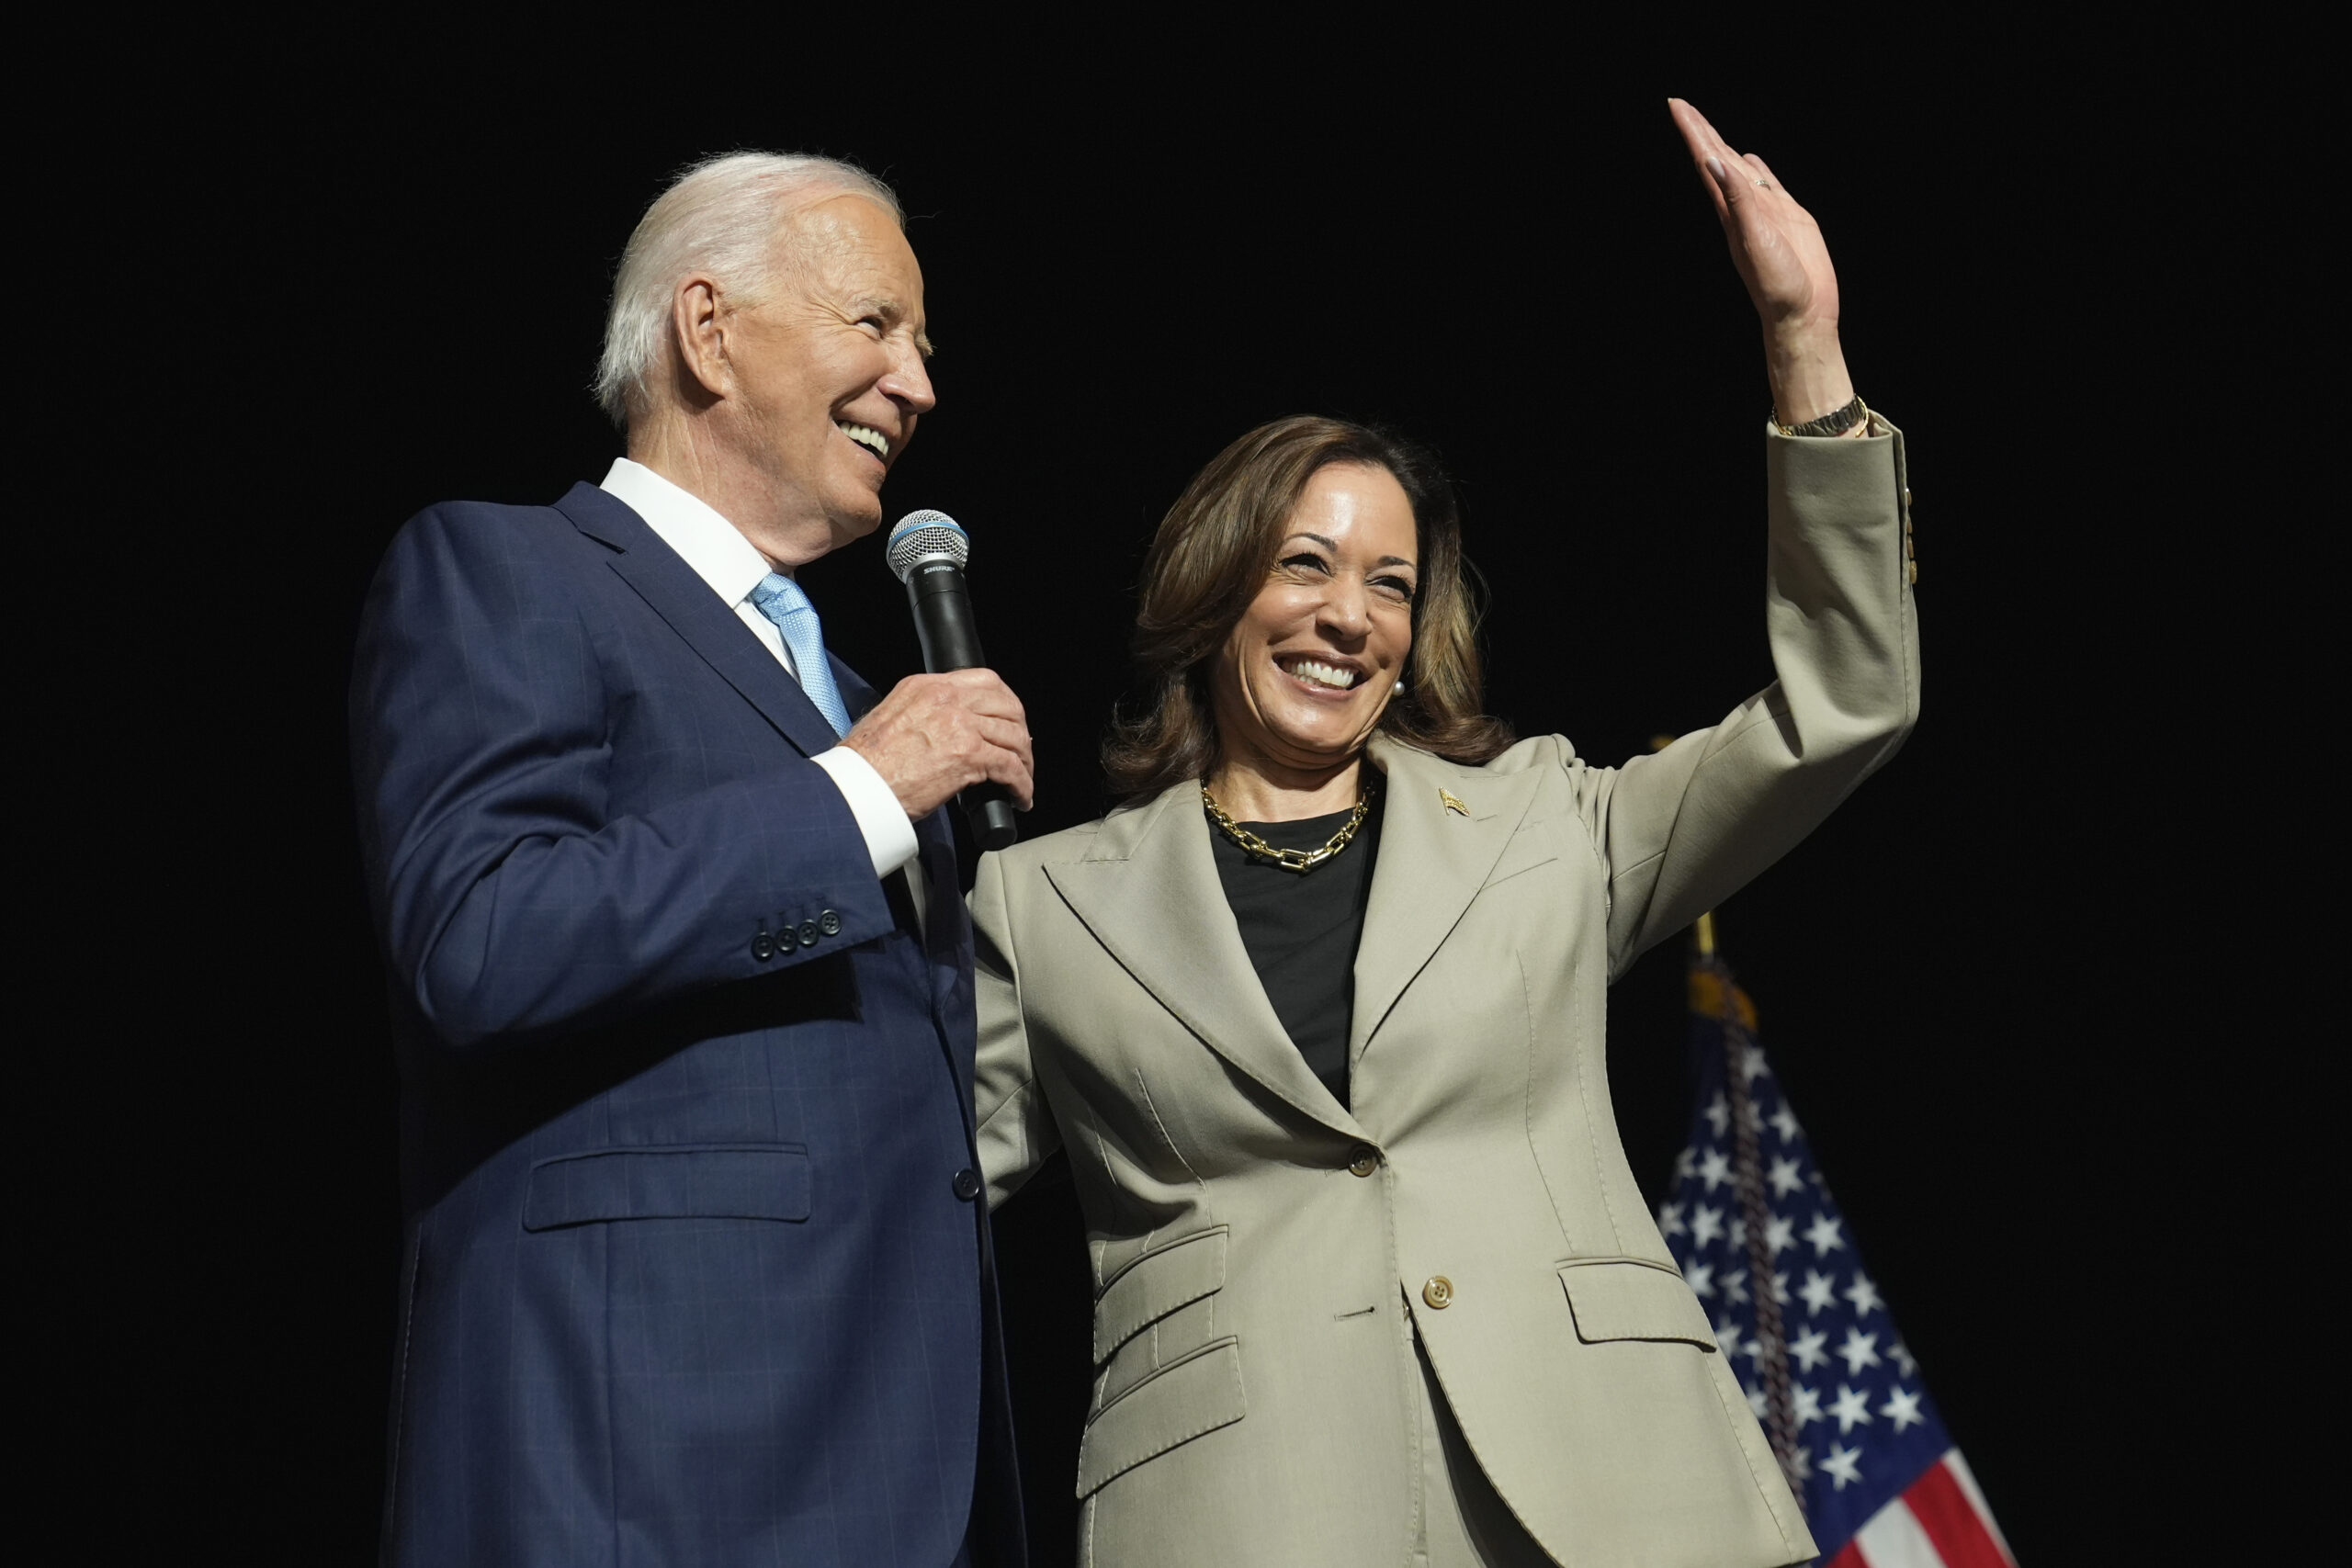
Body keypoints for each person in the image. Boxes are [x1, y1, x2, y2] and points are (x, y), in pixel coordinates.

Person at [968, 100, 1917, 1567]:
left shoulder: (1548, 825)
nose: (1350, 615)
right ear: (1219, 591)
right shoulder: (1039, 910)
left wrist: (1806, 346)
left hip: (1611, 1496)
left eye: (1391, 586)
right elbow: (896, 1186)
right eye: (1306, 565)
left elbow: (1845, 703)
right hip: (1242, 1517)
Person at [350, 153, 1034, 1568]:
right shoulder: (504, 571)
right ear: (707, 330)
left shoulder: (843, 683)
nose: (916, 386)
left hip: (892, 1464)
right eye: (876, 326)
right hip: (640, 1459)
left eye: (922, 347)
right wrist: (861, 792)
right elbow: (481, 939)